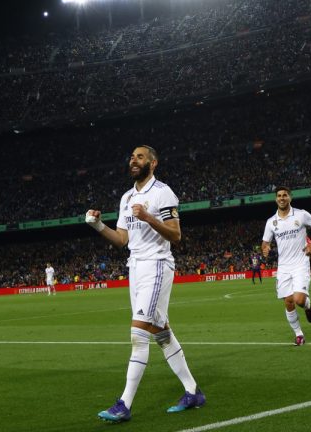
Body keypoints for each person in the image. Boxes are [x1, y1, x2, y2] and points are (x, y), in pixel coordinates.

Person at [86, 145, 204, 423]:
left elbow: (176, 235)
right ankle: (192, 391)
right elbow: (122, 240)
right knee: (161, 333)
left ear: (153, 163)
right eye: (131, 157)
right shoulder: (127, 197)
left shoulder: (163, 192)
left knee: (138, 335)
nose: (133, 160)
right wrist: (98, 226)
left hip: (157, 266)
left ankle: (124, 404)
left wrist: (148, 217)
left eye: (139, 156)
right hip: (135, 269)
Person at [262, 186, 311, 346]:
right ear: (276, 199)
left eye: (284, 195)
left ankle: (308, 306)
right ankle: (299, 334)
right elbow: (265, 241)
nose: (281, 198)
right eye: (279, 196)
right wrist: (265, 247)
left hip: (300, 264)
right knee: (288, 301)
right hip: (283, 267)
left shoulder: (301, 214)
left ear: (290, 197)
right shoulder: (271, 222)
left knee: (299, 299)